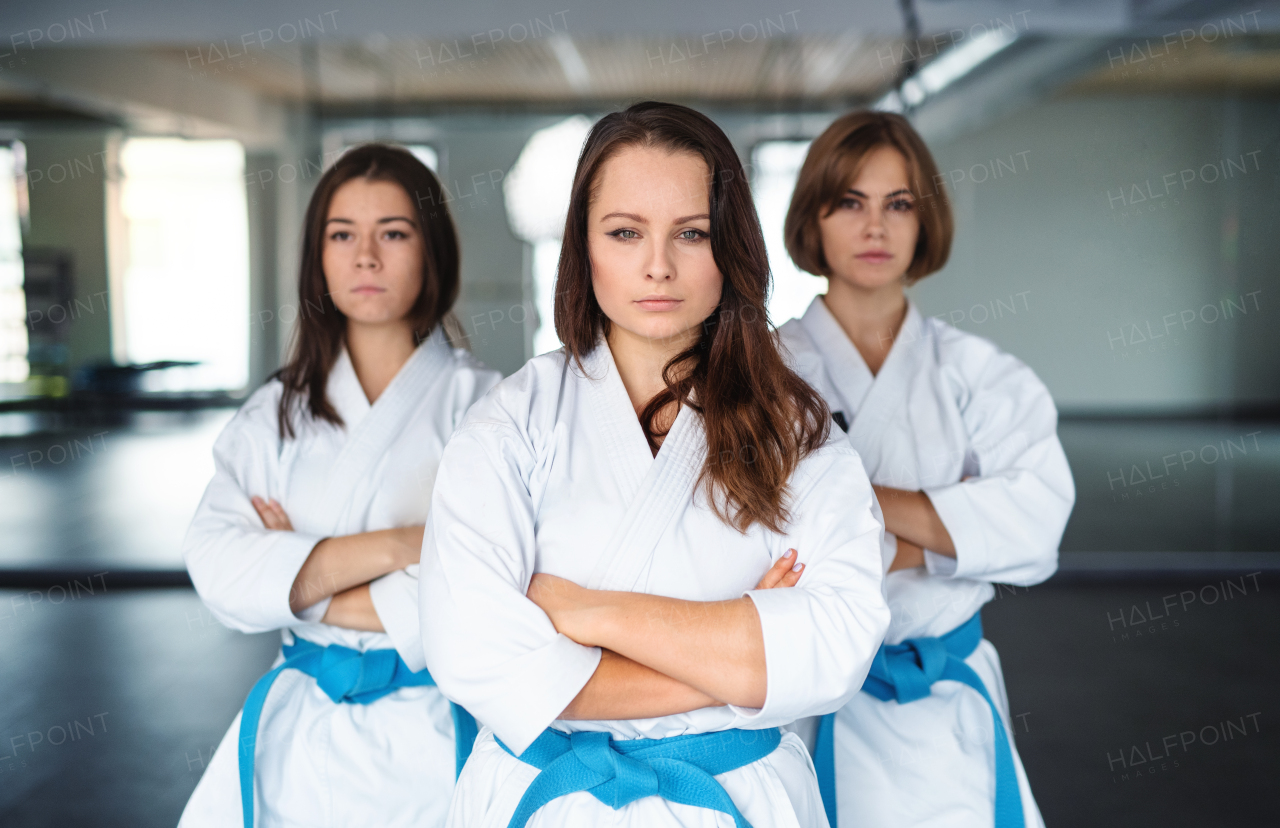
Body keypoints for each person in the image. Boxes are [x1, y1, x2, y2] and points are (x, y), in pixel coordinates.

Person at [418, 101, 890, 828]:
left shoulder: (794, 432)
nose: (658, 265)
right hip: (551, 802)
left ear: (730, 247)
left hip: (735, 797)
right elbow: (476, 655)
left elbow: (835, 646)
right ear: (585, 247)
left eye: (692, 233)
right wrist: (736, 651)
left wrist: (587, 613)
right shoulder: (512, 424)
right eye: (625, 232)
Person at [179, 144, 501, 828]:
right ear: (317, 257)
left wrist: (295, 573)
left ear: (432, 250)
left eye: (393, 233)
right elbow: (219, 568)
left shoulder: (490, 406)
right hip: (299, 729)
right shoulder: (274, 413)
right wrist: (406, 544)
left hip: (433, 730)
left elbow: (488, 591)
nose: (366, 257)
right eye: (341, 234)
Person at [777, 111, 1075, 828]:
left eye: (898, 204)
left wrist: (848, 520)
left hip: (946, 708)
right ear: (812, 221)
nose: (874, 227)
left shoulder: (979, 373)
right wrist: (957, 524)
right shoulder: (763, 370)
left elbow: (1036, 525)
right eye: (849, 202)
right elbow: (747, 535)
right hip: (811, 707)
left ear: (924, 222)